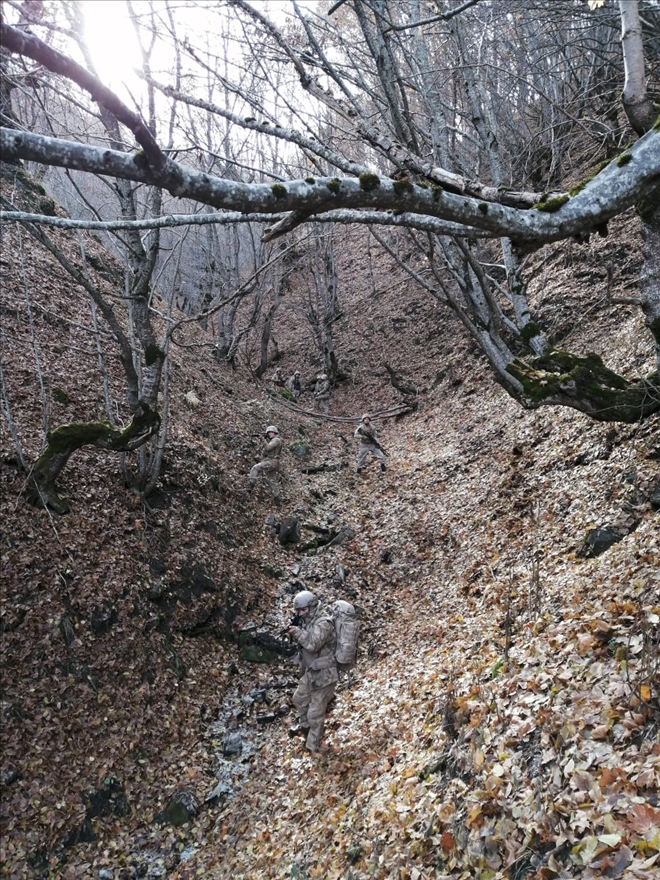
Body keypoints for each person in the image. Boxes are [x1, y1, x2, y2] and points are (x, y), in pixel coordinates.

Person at [288, 590, 338, 753]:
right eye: (298, 611)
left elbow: (313, 644)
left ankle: (313, 747)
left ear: (313, 607)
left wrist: (297, 633)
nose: (300, 614)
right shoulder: (306, 622)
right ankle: (306, 731)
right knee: (299, 699)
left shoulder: (324, 623)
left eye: (303, 610)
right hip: (311, 672)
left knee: (315, 714)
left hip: (325, 674)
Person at [248, 425, 282, 504]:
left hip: (272, 462)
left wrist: (263, 439)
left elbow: (268, 448)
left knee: (255, 468)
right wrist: (264, 440)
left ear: (275, 432)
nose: (269, 434)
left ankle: (250, 487)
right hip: (274, 462)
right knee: (270, 480)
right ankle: (277, 500)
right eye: (268, 433)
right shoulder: (273, 440)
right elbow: (265, 453)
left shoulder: (276, 440)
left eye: (270, 432)